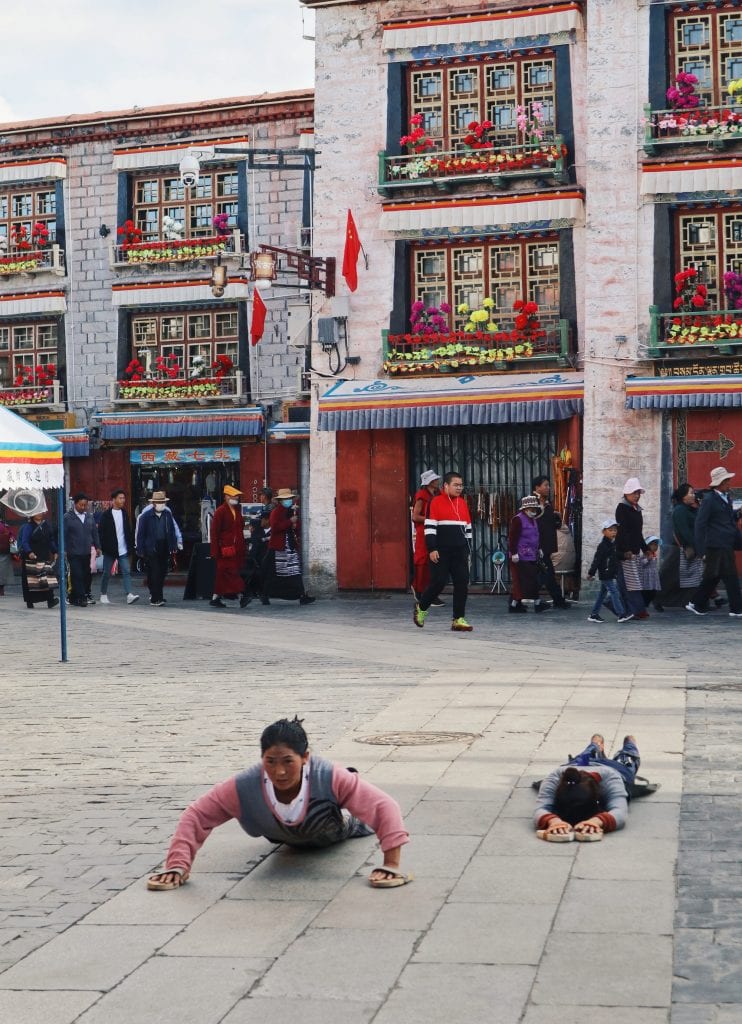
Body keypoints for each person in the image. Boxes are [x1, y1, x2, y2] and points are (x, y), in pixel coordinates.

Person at [146, 716, 411, 891]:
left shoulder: (328, 776)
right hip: (283, 834)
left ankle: (349, 790)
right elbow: (197, 815)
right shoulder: (245, 785)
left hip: (333, 826)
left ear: (305, 757)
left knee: (355, 814)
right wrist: (177, 865)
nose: (279, 772)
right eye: (270, 762)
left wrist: (391, 865)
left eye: (288, 761)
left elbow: (384, 806)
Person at [534, 734, 641, 842]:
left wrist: (597, 821)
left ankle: (629, 744)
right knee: (587, 754)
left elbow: (620, 811)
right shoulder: (555, 778)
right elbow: (541, 809)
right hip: (577, 764)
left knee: (628, 759)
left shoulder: (611, 778)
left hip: (613, 767)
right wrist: (553, 822)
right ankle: (595, 745)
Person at [413, 471, 473, 631]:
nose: (459, 488)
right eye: (456, 485)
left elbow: (468, 527)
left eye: (461, 485)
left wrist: (468, 549)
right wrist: (432, 548)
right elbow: (430, 527)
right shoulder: (435, 502)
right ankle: (422, 607)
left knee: (462, 583)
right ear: (446, 486)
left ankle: (458, 618)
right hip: (440, 551)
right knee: (438, 583)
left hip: (460, 551)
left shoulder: (463, 503)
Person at [687, 466, 742, 618]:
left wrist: (737, 514)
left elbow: (727, 519)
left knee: (713, 576)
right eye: (726, 481)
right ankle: (736, 609)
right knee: (730, 577)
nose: (729, 483)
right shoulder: (710, 500)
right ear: (719, 483)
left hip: (725, 542)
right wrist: (701, 549)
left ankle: (696, 602)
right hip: (716, 544)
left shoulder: (726, 498)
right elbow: (700, 524)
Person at [264, 488, 315, 604]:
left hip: (290, 545)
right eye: (286, 499)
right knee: (276, 573)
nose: (288, 501)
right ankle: (266, 594)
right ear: (281, 500)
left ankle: (302, 595)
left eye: (289, 499)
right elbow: (275, 528)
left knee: (295, 571)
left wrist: (294, 525)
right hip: (280, 547)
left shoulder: (290, 511)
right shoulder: (276, 512)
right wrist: (289, 522)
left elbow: (295, 528)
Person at [135, 490, 183, 607]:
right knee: (155, 572)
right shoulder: (145, 516)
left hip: (164, 546)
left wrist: (174, 545)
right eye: (158, 502)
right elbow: (140, 534)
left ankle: (159, 596)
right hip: (151, 547)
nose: (161, 504)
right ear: (154, 503)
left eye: (163, 502)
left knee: (162, 572)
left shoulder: (167, 514)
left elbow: (171, 530)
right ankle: (155, 598)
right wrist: (140, 549)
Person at [615, 477, 652, 620]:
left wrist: (645, 548)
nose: (637, 496)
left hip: (634, 552)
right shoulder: (622, 508)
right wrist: (625, 550)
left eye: (638, 493)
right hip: (625, 552)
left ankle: (632, 609)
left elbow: (638, 532)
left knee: (630, 583)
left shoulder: (636, 510)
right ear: (626, 493)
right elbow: (622, 531)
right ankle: (636, 610)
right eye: (634, 493)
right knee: (629, 583)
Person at [532, 475, 571, 609]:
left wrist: (557, 518)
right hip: (536, 545)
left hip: (546, 545)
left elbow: (552, 525)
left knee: (547, 574)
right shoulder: (532, 504)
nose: (548, 488)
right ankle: (521, 600)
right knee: (545, 575)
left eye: (549, 485)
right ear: (537, 487)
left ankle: (557, 601)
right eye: (545, 485)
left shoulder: (547, 504)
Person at [209, 484, 250, 609]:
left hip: (236, 548)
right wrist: (215, 551)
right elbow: (214, 533)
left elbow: (240, 528)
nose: (236, 499)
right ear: (226, 497)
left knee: (223, 575)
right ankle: (242, 596)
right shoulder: (220, 511)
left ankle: (216, 598)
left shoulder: (236, 511)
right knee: (231, 573)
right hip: (225, 549)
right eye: (233, 496)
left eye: (237, 497)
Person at [508, 494, 549, 614]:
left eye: (535, 509)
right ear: (525, 509)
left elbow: (535, 536)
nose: (534, 511)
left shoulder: (533, 520)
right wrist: (514, 553)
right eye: (532, 509)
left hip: (531, 555)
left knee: (525, 581)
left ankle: (515, 604)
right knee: (528, 580)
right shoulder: (518, 519)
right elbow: (512, 538)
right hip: (520, 556)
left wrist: (539, 548)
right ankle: (536, 603)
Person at [97, 488, 139, 605]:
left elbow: (128, 530)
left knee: (126, 571)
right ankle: (103, 594)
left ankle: (129, 594)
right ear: (114, 499)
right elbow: (101, 532)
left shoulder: (124, 513)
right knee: (106, 572)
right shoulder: (106, 515)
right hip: (110, 550)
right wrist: (102, 546)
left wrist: (130, 545)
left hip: (123, 548)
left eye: (123, 498)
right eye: (120, 498)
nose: (123, 500)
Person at [586, 518, 633, 623]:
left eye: (615, 530)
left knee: (602, 594)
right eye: (610, 530)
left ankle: (594, 614)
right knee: (614, 592)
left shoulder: (612, 544)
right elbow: (596, 560)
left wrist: (624, 555)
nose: (613, 532)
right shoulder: (602, 546)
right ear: (604, 531)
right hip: (605, 573)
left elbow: (615, 555)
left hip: (610, 573)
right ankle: (621, 614)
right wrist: (591, 572)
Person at [411, 470, 444, 607]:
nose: (437, 481)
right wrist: (430, 519)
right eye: (435, 479)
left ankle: (431, 592)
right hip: (423, 531)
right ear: (430, 482)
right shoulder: (421, 496)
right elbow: (415, 516)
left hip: (434, 531)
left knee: (434, 561)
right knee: (423, 561)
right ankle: (420, 590)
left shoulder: (437, 494)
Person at [63, 493, 101, 607]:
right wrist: (64, 549)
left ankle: (73, 597)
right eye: (81, 505)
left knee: (86, 574)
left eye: (85, 505)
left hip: (86, 551)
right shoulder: (67, 517)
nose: (83, 507)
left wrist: (98, 546)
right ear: (75, 504)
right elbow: (63, 534)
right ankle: (81, 597)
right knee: (77, 574)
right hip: (73, 551)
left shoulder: (89, 517)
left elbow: (94, 532)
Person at [17, 509, 59, 610]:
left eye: (40, 512)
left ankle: (50, 600)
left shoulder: (46, 525)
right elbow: (24, 541)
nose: (39, 514)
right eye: (37, 512)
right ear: (32, 514)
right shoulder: (28, 526)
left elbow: (50, 540)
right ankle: (30, 601)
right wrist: (29, 552)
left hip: (43, 556)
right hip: (31, 557)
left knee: (46, 579)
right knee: (31, 580)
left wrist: (55, 551)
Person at [247, 487, 274, 604]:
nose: (260, 497)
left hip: (266, 541)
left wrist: (254, 523)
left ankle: (263, 592)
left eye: (261, 495)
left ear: (265, 496)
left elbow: (264, 521)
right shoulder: (265, 507)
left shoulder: (270, 508)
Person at [641, 536, 661, 608]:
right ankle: (644, 604)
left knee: (653, 591)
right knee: (646, 591)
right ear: (648, 545)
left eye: (656, 545)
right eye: (653, 544)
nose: (655, 547)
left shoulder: (654, 555)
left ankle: (649, 603)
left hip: (653, 577)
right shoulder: (645, 554)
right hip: (646, 577)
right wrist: (647, 559)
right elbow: (640, 564)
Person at [0, 511, 15, 596]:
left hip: (3, 551)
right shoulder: (5, 526)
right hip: (4, 551)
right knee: (3, 571)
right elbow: (12, 536)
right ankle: (1, 589)